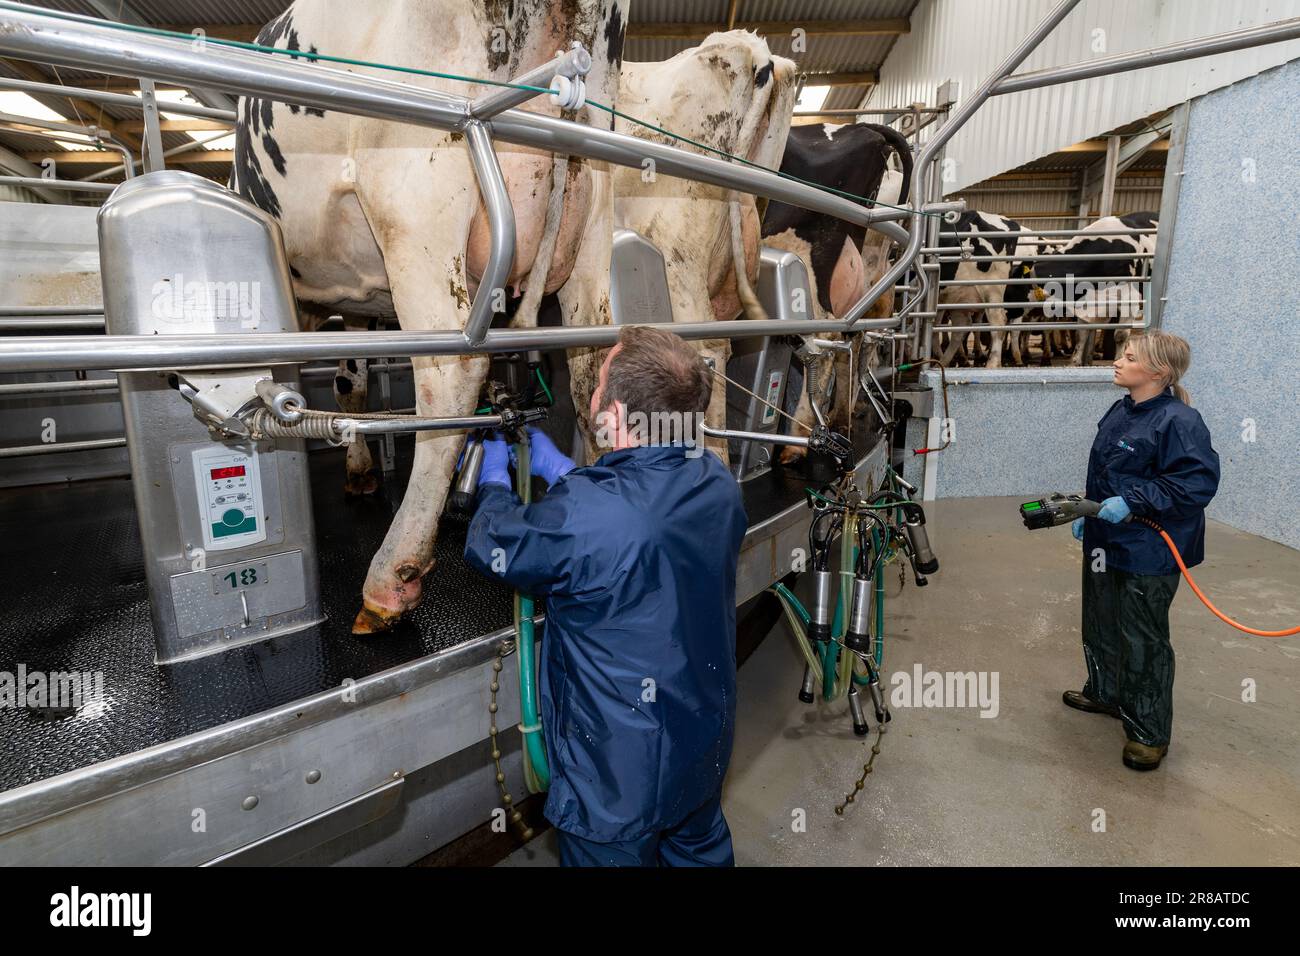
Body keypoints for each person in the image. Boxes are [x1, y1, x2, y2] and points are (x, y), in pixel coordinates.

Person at [463, 326, 749, 865]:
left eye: (598, 388)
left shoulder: (590, 513)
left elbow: (493, 545)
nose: (592, 397)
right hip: (700, 747)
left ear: (614, 417)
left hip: (616, 778)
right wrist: (566, 472)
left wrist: (495, 483)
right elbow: (641, 517)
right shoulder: (717, 482)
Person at [1065, 330, 1219, 771]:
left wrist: (1134, 502)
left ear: (1159, 372)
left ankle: (1149, 733)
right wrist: (1090, 509)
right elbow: (1111, 472)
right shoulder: (1121, 410)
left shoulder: (1179, 421)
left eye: (1129, 357)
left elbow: (1195, 483)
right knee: (1100, 622)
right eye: (1121, 354)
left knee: (1142, 639)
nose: (1117, 362)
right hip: (1105, 540)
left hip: (1149, 549)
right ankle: (1106, 693)